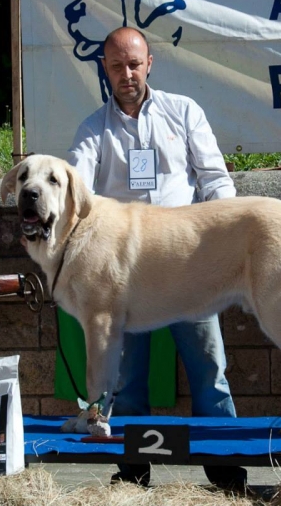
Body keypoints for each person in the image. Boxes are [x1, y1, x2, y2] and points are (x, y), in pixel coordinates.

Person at [67, 26, 247, 491]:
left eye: (134, 64)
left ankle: (226, 475)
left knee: (209, 369)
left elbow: (215, 181)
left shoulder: (184, 112)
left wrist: (224, 235)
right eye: (116, 66)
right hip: (124, 273)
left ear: (150, 63)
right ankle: (132, 477)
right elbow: (75, 189)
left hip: (189, 265)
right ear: (103, 69)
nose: (126, 74)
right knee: (127, 380)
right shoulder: (93, 129)